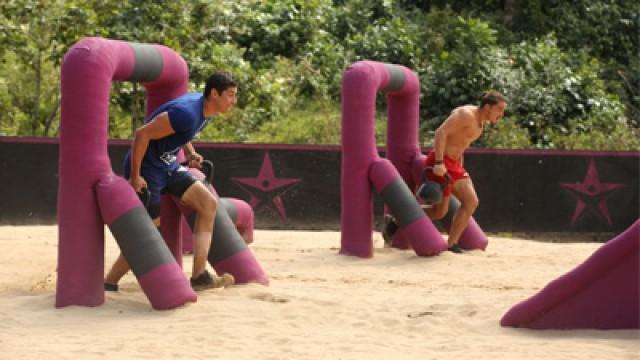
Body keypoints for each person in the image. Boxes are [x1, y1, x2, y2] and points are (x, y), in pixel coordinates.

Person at [104, 71, 238, 291]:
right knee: (149, 233)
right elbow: (142, 134)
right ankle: (109, 282)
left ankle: (199, 276)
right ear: (214, 93)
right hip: (147, 170)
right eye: (230, 95)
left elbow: (182, 133)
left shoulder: (207, 110)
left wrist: (191, 152)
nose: (233, 101)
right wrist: (135, 176)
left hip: (168, 166)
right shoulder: (186, 113)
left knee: (208, 204)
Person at [383, 90, 507, 253]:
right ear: (487, 107)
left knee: (439, 212)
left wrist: (460, 167)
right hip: (441, 162)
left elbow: (460, 145)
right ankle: (452, 244)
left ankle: (396, 221)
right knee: (470, 202)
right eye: (499, 110)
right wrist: (440, 163)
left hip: (453, 165)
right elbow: (441, 132)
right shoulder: (465, 114)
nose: (501, 114)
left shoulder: (480, 123)